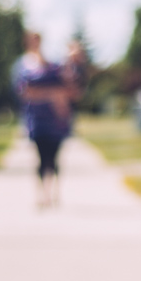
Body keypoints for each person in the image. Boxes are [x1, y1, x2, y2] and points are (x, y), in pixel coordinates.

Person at [12, 32, 83, 207]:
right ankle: (44, 194)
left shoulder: (52, 65)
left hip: (56, 121)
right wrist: (52, 94)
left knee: (55, 157)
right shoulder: (23, 65)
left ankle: (53, 192)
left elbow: (72, 89)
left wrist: (73, 61)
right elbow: (23, 92)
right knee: (42, 157)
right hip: (37, 121)